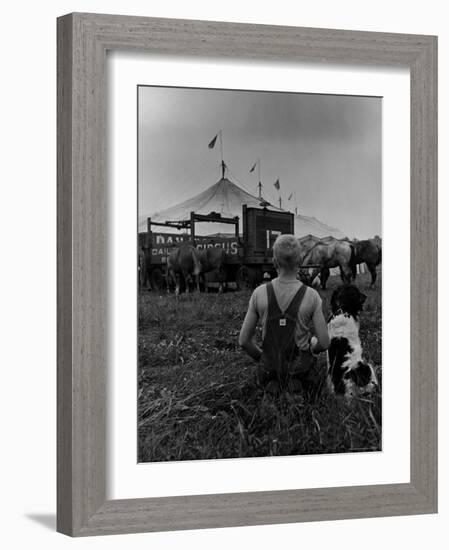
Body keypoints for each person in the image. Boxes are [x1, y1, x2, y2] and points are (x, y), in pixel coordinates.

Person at [239, 234, 330, 395]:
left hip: (269, 368)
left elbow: (244, 341)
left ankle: (272, 386)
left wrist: (263, 358)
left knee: (267, 383)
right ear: (300, 262)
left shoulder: (259, 293)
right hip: (300, 370)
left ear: (274, 262)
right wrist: (313, 345)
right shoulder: (312, 296)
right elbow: (324, 342)